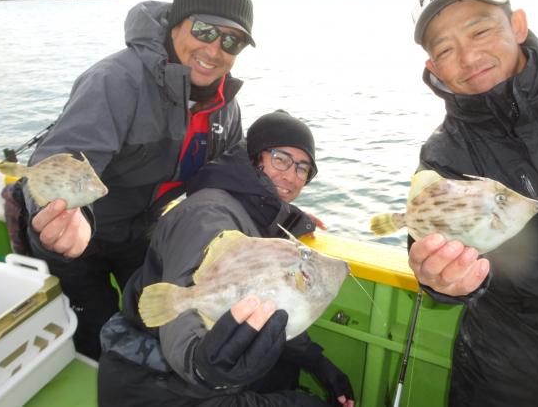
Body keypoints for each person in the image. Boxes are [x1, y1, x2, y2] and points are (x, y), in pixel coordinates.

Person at [20, 0, 255, 360]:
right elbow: (62, 157)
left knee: (152, 320)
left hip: (142, 233)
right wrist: (63, 214)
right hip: (81, 234)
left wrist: (279, 210)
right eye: (205, 30)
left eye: (232, 41)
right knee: (96, 335)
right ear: (177, 23)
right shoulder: (116, 79)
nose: (215, 50)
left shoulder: (224, 106)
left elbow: (229, 172)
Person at [97, 110, 355, 407]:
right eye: (281, 159)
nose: (290, 175)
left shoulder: (261, 216)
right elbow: (185, 296)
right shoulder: (206, 215)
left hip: (182, 376)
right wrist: (200, 364)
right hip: (155, 382)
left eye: (302, 168)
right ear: (255, 158)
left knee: (284, 373)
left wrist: (315, 360)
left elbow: (271, 300)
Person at [407, 0, 538, 406]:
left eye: (480, 31)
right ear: (433, 67)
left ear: (517, 25)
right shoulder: (444, 154)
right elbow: (429, 242)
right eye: (446, 49)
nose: (468, 58)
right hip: (504, 361)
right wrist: (441, 280)